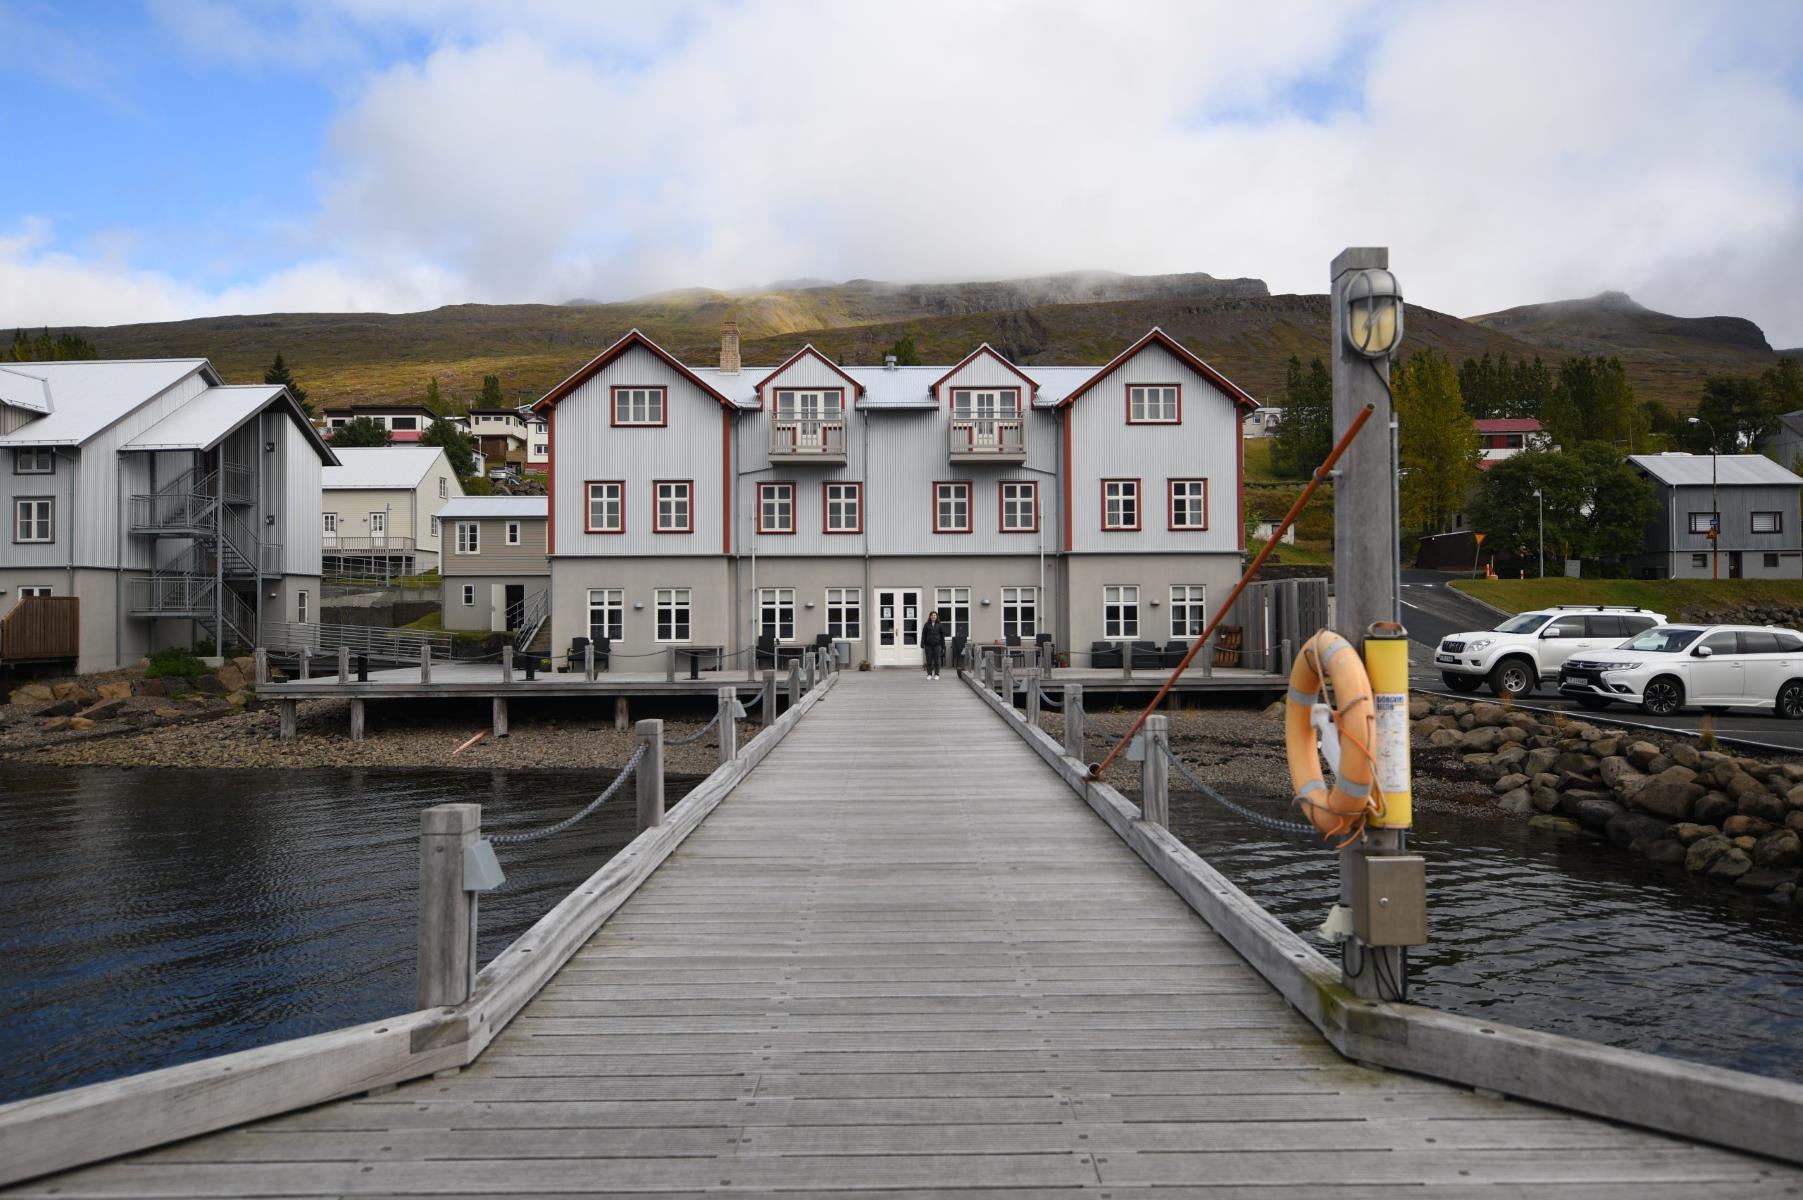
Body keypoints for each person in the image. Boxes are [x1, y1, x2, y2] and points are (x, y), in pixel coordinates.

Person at [922, 610, 946, 680]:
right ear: (930, 616)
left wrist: (943, 646)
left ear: (936, 617)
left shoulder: (940, 625)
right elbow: (923, 635)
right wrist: (922, 643)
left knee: (937, 660)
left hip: (937, 645)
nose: (933, 616)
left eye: (934, 615)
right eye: (932, 615)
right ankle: (929, 674)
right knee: (929, 660)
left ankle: (936, 674)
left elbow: (942, 636)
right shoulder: (926, 625)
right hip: (928, 645)